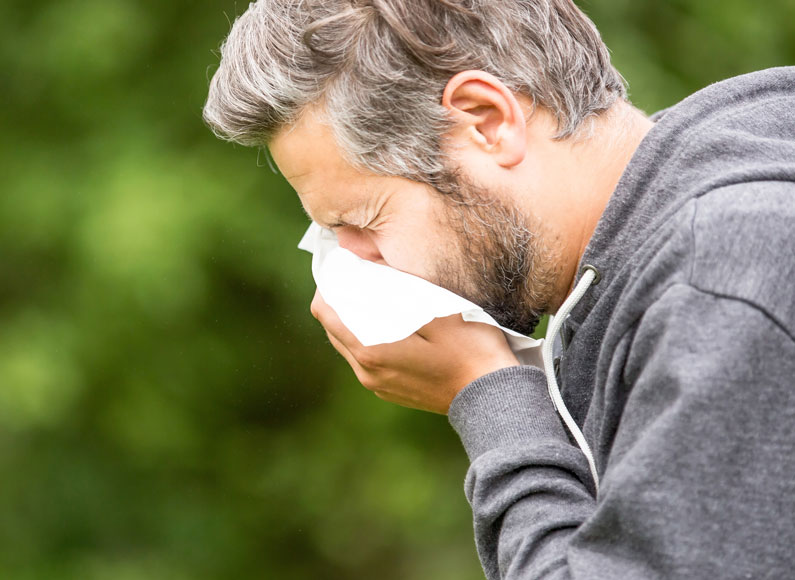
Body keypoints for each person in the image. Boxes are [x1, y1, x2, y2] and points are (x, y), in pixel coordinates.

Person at [203, 0, 795, 578]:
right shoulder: (668, 245)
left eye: (362, 221)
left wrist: (488, 394)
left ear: (486, 120)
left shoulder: (719, 281)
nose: (357, 264)